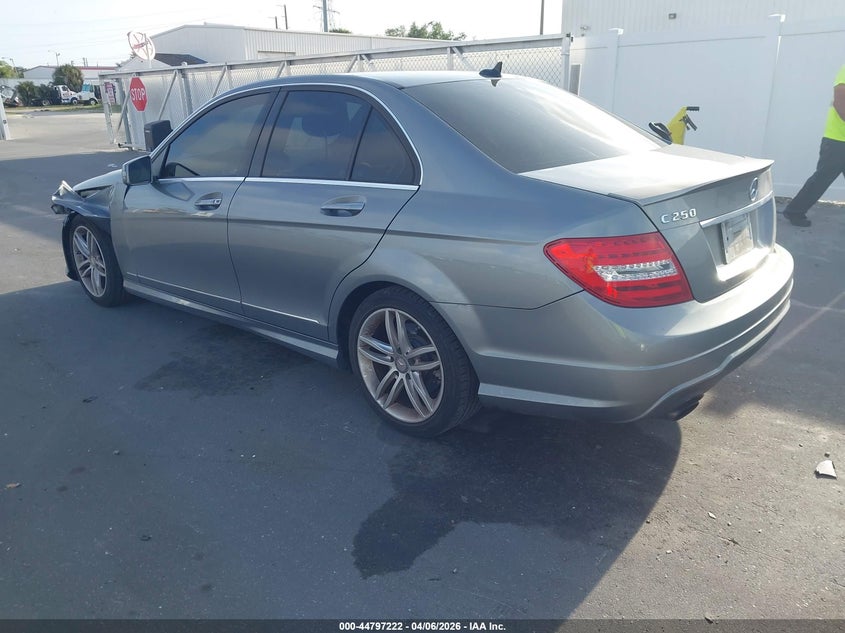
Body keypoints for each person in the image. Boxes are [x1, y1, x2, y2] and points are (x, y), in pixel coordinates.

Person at [783, 64, 845, 227]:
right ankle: (794, 211)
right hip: (837, 140)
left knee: (821, 178)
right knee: (822, 179)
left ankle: (794, 211)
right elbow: (840, 101)